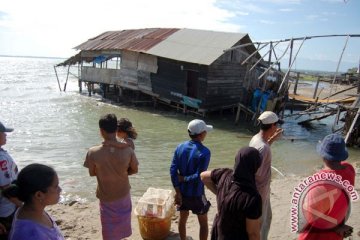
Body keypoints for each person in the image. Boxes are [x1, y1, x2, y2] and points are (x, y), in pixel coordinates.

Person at [84, 113, 139, 240]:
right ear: (116, 129)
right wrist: (123, 172)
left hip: (106, 196)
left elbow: (92, 173)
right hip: (123, 193)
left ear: (101, 131)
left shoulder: (92, 152)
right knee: (122, 228)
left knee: (108, 231)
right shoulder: (128, 149)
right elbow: (134, 170)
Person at [298, 134, 355, 240]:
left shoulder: (319, 181)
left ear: (323, 156)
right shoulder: (350, 170)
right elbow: (341, 166)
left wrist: (335, 228)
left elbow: (310, 217)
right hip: (336, 234)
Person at [201, 147, 263, 240]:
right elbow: (253, 234)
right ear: (255, 166)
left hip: (219, 234)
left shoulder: (224, 174)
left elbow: (203, 176)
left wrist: (219, 192)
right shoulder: (252, 198)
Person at [170, 119, 213, 240]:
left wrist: (177, 190)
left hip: (182, 193)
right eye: (205, 132)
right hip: (197, 194)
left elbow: (173, 171)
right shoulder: (205, 152)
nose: (206, 134)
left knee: (182, 220)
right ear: (201, 134)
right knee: (203, 223)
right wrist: (184, 178)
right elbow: (199, 176)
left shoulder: (179, 148)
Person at [2, 163, 64, 240]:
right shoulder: (31, 235)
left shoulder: (32, 210)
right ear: (39, 195)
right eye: (56, 186)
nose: (60, 189)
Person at [249, 111, 283, 240]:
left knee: (267, 218)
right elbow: (254, 171)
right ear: (273, 126)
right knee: (260, 226)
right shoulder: (263, 147)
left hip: (262, 191)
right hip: (259, 193)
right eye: (276, 125)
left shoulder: (257, 139)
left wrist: (272, 139)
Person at [0, 121, 19, 239]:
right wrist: (22, 205)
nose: (6, 135)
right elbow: (6, 189)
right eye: (3, 133)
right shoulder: (1, 159)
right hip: (6, 210)